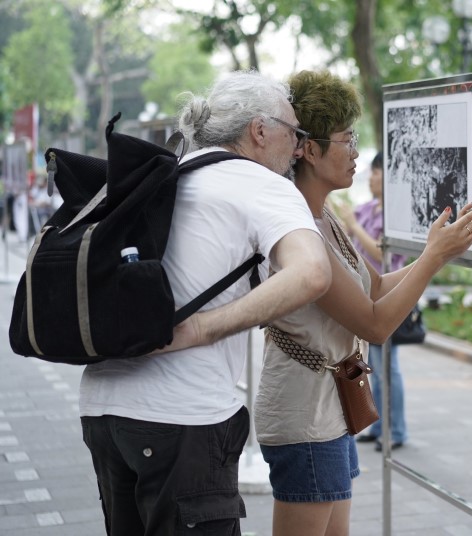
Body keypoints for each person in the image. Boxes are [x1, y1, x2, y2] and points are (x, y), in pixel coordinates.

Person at [78, 70, 332, 536]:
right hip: (182, 420)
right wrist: (203, 328)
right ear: (260, 131)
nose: (299, 148)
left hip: (102, 409)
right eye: (295, 134)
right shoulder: (264, 185)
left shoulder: (170, 175)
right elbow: (312, 272)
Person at [254, 69, 472, 536]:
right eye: (347, 138)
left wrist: (437, 254)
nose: (358, 152)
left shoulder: (322, 215)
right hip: (306, 418)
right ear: (310, 149)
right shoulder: (298, 228)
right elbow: (376, 325)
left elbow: (374, 289)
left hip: (327, 410)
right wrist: (434, 254)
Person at [334, 152, 409, 452]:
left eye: (377, 172)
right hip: (365, 297)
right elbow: (347, 237)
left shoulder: (395, 214)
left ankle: (397, 430)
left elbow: (383, 256)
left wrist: (354, 224)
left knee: (389, 367)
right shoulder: (367, 208)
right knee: (374, 367)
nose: (372, 177)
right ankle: (378, 426)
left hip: (389, 296)